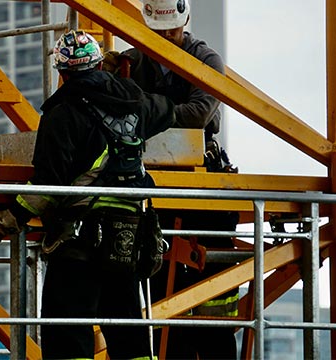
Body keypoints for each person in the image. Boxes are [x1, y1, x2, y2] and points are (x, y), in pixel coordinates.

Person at [0, 30, 175, 359]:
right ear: (98, 65)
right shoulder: (135, 102)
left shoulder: (62, 115)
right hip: (129, 234)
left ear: (62, 73)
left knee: (66, 330)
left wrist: (4, 224)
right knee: (127, 329)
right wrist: (129, 71)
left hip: (81, 239)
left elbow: (48, 186)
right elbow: (169, 110)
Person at [104, 1, 240, 358]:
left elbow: (199, 114)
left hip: (203, 188)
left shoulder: (205, 60)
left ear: (185, 22)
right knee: (162, 294)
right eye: (158, 32)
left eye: (172, 30)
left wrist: (143, 112)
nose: (165, 37)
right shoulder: (131, 62)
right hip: (152, 184)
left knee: (211, 297)